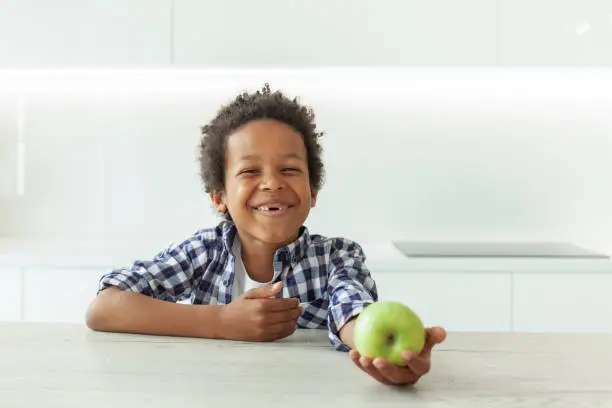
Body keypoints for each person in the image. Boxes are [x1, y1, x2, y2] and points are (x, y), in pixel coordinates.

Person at [85, 84, 446, 386]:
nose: (272, 182)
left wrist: (380, 353)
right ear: (219, 197)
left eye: (289, 169)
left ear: (313, 190)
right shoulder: (203, 252)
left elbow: (350, 310)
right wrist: (223, 321)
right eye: (250, 171)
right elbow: (105, 307)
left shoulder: (338, 257)